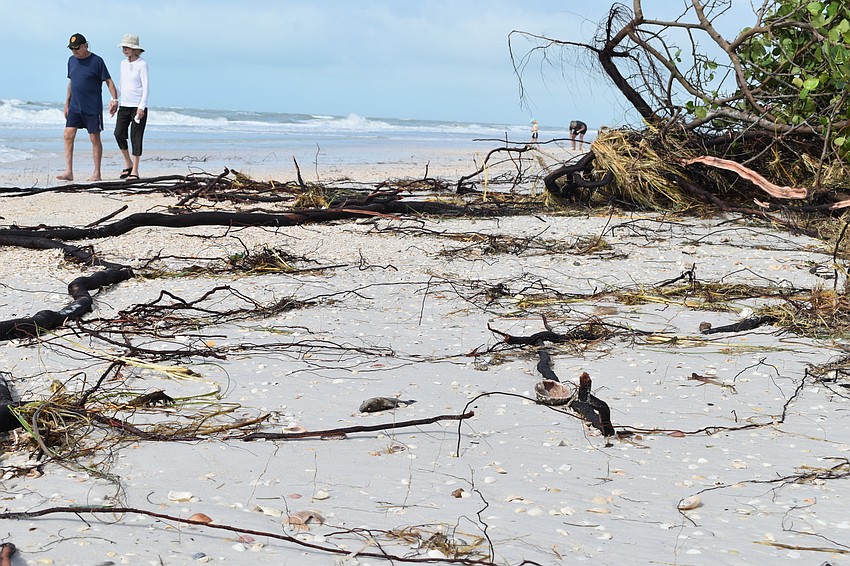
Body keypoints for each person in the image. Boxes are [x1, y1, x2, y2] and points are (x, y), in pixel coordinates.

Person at [57, 33, 118, 182]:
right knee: (68, 135)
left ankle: (97, 173)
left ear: (85, 46)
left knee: (94, 138)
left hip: (92, 107)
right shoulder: (71, 61)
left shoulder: (97, 61)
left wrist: (114, 99)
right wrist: (67, 103)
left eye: (77, 48)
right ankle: (69, 172)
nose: (74, 52)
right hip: (75, 107)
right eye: (72, 49)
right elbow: (71, 83)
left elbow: (108, 81)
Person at [114, 34, 150, 180]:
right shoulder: (122, 64)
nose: (125, 49)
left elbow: (146, 87)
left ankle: (135, 170)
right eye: (123, 47)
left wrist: (142, 107)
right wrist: (114, 98)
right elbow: (121, 85)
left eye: (127, 47)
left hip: (137, 107)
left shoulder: (142, 64)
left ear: (135, 49)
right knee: (118, 133)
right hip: (124, 105)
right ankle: (128, 163)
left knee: (136, 137)